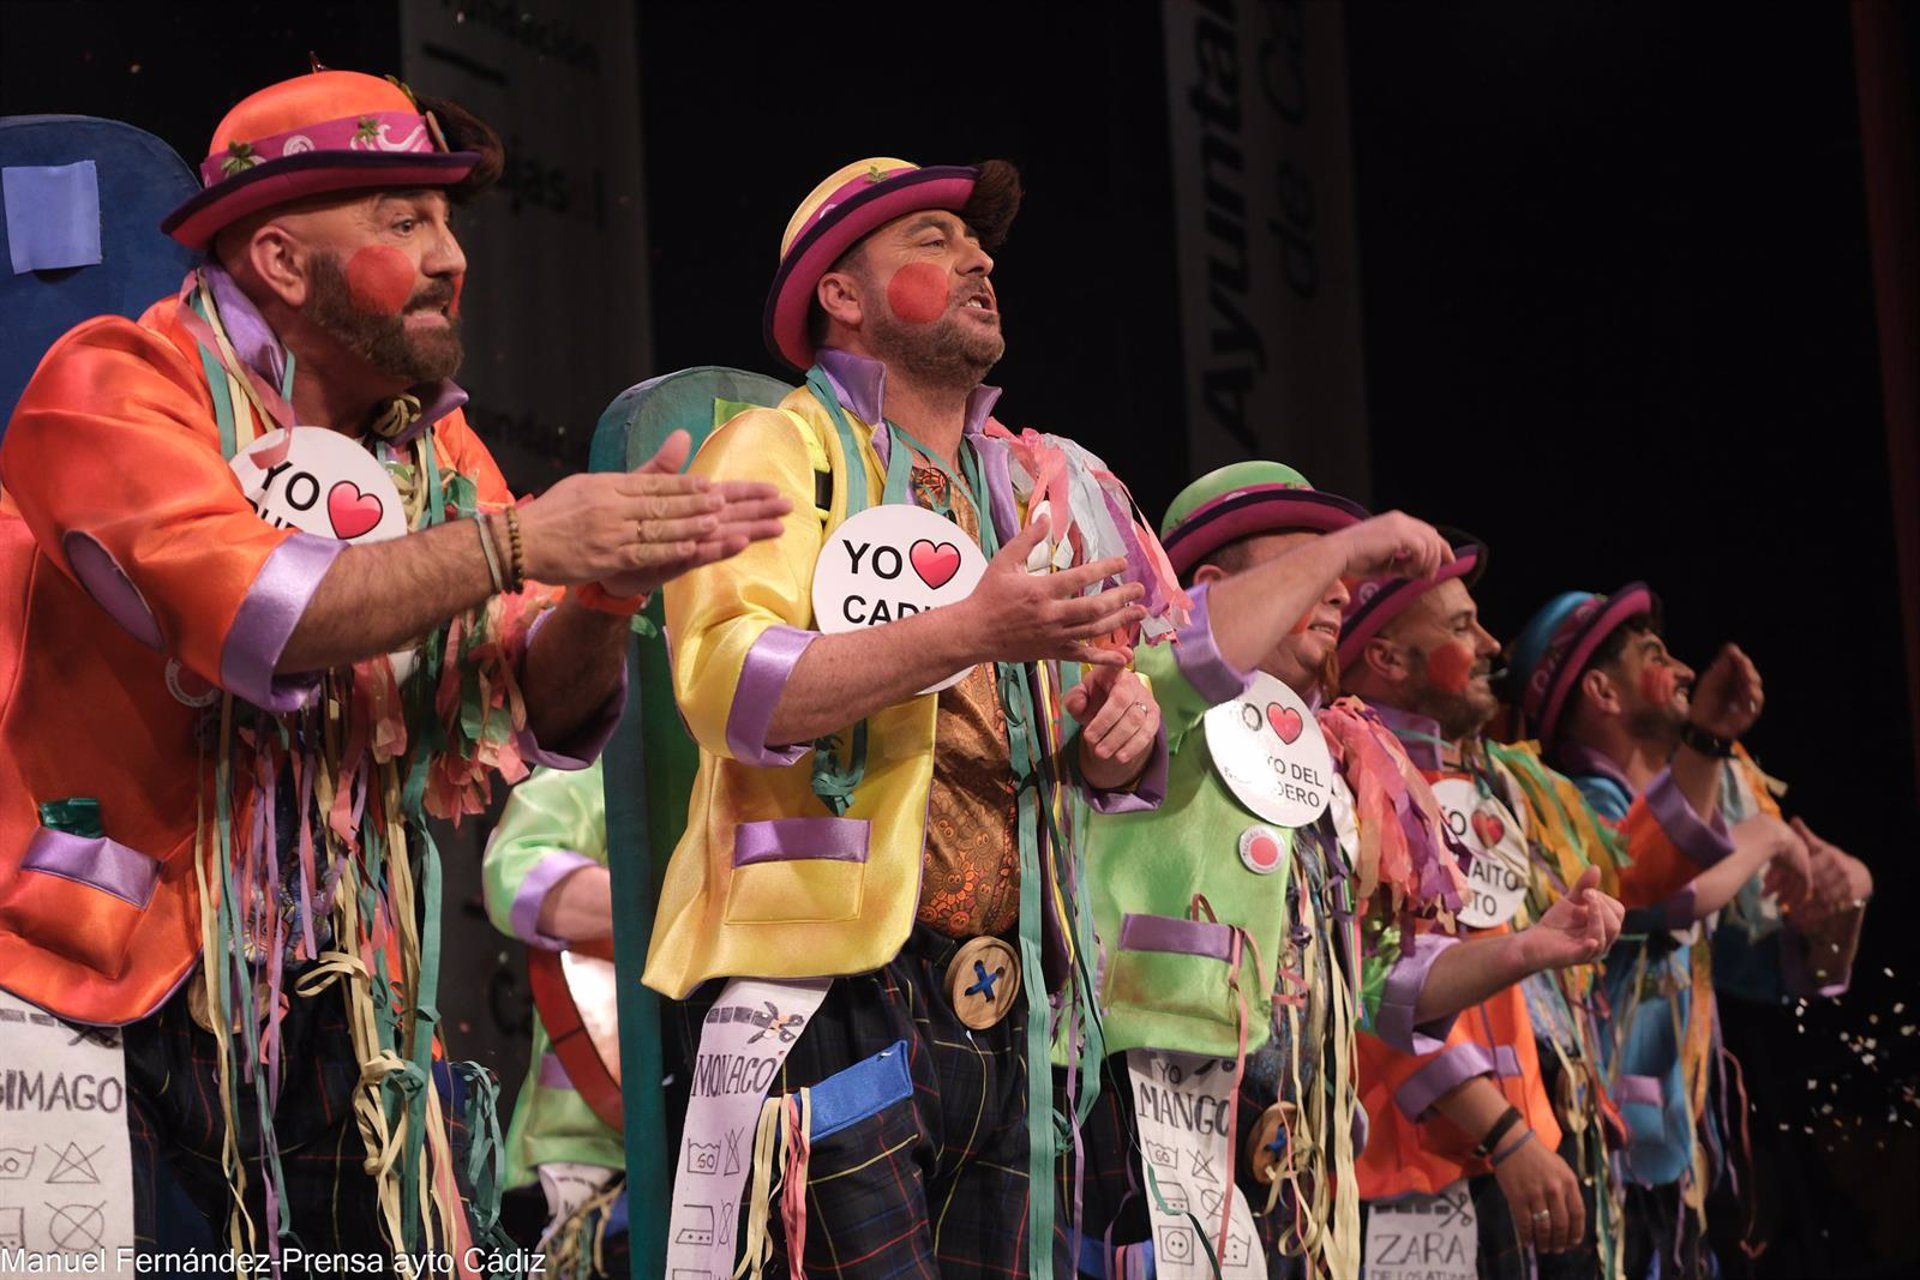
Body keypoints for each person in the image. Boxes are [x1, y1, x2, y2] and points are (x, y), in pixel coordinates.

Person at [0, 68, 785, 1266]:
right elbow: (257, 612)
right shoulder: (115, 384)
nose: (453, 255)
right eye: (402, 218)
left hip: (346, 1008)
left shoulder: (435, 453)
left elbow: (534, 699)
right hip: (101, 988)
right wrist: (521, 540)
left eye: (449, 221)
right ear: (277, 257)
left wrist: (602, 592)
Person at [648, 156, 1183, 1278]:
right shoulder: (779, 449)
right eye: (933, 240)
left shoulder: (1038, 483)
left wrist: (1117, 730)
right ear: (840, 294)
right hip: (834, 985)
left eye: (977, 243)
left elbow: (1118, 716)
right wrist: (970, 632)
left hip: (1024, 995)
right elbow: (730, 685)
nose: (980, 258)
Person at [1079, 463, 1623, 1280]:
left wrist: (1529, 950)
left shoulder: (1332, 763)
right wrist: (1357, 544)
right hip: (1166, 1147)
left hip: (1304, 1177)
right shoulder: (1154, 692)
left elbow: (1372, 984)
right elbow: (1186, 642)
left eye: (1338, 564)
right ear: (1215, 588)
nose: (1341, 587)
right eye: (1311, 564)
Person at [1335, 540, 1732, 1279]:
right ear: (1387, 658)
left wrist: (1706, 745)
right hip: (1410, 1173)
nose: (1490, 645)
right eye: (1461, 627)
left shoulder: (1509, 785)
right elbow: (1370, 980)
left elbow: (1632, 879)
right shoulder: (1344, 774)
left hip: (1528, 1152)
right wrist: (1504, 1134)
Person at [1508, 584, 1869, 1277]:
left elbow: (1793, 974)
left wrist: (1847, 887)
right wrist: (1758, 837)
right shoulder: (1567, 807)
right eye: (1654, 655)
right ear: (1603, 693)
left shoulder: (1689, 813)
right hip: (1597, 1167)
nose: (1680, 670)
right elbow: (1654, 897)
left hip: (1669, 1176)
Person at [482, 761, 624, 1264]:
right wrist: (674, 903)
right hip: (584, 1157)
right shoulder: (619, 746)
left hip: (742, 1138)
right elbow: (511, 869)